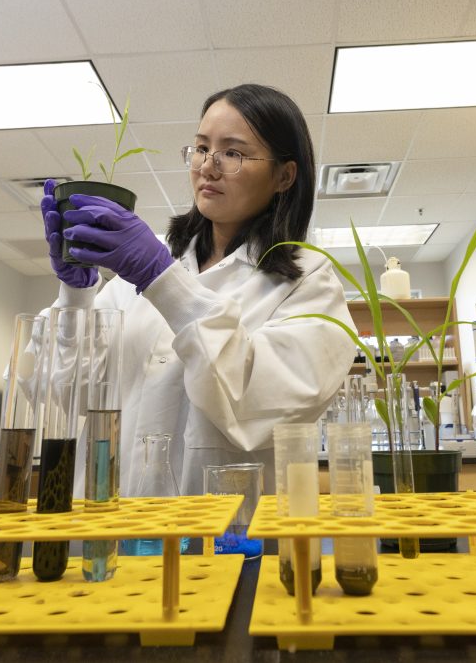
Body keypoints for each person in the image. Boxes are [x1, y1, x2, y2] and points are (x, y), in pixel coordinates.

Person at [39, 83, 354, 495]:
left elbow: (255, 405)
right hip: (111, 532)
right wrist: (75, 295)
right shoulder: (143, 274)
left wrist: (162, 281)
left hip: (224, 539)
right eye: (202, 147)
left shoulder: (310, 282)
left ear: (284, 175)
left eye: (233, 153)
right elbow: (70, 396)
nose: (208, 165)